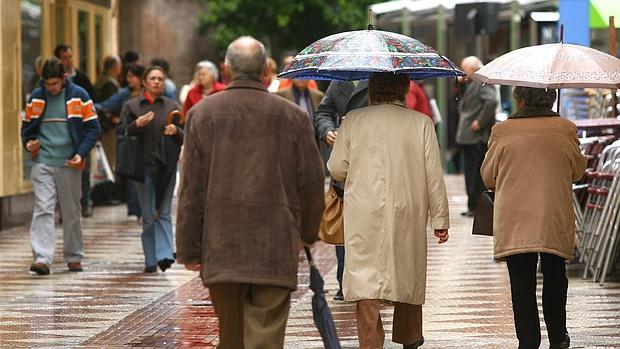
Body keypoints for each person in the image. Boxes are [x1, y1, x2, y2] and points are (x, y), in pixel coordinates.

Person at [175, 36, 325, 349]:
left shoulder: (202, 115)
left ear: (226, 68)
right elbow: (311, 181)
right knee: (266, 335)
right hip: (275, 243)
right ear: (265, 70)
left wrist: (189, 248)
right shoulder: (293, 117)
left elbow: (191, 188)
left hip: (221, 244)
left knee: (230, 336)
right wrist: (309, 231)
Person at [327, 72, 449, 349]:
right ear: (405, 90)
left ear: (371, 91)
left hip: (363, 210)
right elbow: (433, 175)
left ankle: (370, 342)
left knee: (364, 278)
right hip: (409, 208)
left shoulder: (353, 121)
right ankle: (409, 337)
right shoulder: (422, 123)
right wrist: (440, 219)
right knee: (407, 270)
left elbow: (337, 168)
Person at [481, 86, 586, 349]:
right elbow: (576, 171)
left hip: (515, 216)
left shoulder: (501, 131)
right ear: (551, 100)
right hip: (552, 213)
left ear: (521, 101)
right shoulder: (566, 128)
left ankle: (528, 340)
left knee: (521, 279)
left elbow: (488, 176)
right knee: (554, 275)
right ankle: (558, 336)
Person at [22, 57, 101, 275]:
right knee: (43, 208)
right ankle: (42, 258)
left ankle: (74, 256)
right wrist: (29, 143)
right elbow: (27, 127)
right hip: (43, 161)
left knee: (71, 210)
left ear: (64, 79)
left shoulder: (79, 96)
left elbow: (93, 128)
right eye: (47, 84)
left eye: (55, 84)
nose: (51, 88)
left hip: (69, 161)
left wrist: (80, 153)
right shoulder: (36, 97)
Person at [119, 66, 183, 273]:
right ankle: (150, 259)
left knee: (164, 212)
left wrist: (176, 131)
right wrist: (137, 124)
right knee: (148, 215)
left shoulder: (172, 105)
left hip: (167, 166)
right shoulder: (132, 106)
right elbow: (122, 133)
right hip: (143, 167)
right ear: (144, 82)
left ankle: (164, 255)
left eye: (160, 79)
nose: (156, 82)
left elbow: (185, 135)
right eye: (152, 78)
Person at [314, 79, 369, 301]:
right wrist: (327, 131)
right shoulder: (339, 83)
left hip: (373, 161)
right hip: (345, 165)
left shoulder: (382, 78)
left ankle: (371, 284)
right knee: (344, 225)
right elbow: (323, 112)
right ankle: (344, 282)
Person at [96, 63, 145, 218]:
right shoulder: (123, 94)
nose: (129, 79)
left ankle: (146, 207)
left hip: (148, 139)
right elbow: (105, 105)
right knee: (131, 173)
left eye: (132, 76)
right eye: (127, 76)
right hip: (129, 139)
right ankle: (134, 209)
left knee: (147, 174)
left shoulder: (150, 94)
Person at [54, 44, 97, 217]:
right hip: (60, 137)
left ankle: (83, 204)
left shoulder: (81, 80)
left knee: (83, 172)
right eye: (64, 57)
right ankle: (64, 208)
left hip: (80, 134)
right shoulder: (49, 85)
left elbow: (92, 103)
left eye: (70, 57)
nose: (68, 61)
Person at [456, 56, 497, 217]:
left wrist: (480, 122)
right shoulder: (470, 83)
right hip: (467, 136)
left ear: (472, 70)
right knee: (469, 173)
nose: (462, 71)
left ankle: (476, 205)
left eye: (463, 68)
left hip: (476, 137)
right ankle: (472, 204)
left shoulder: (482, 82)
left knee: (475, 173)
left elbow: (491, 102)